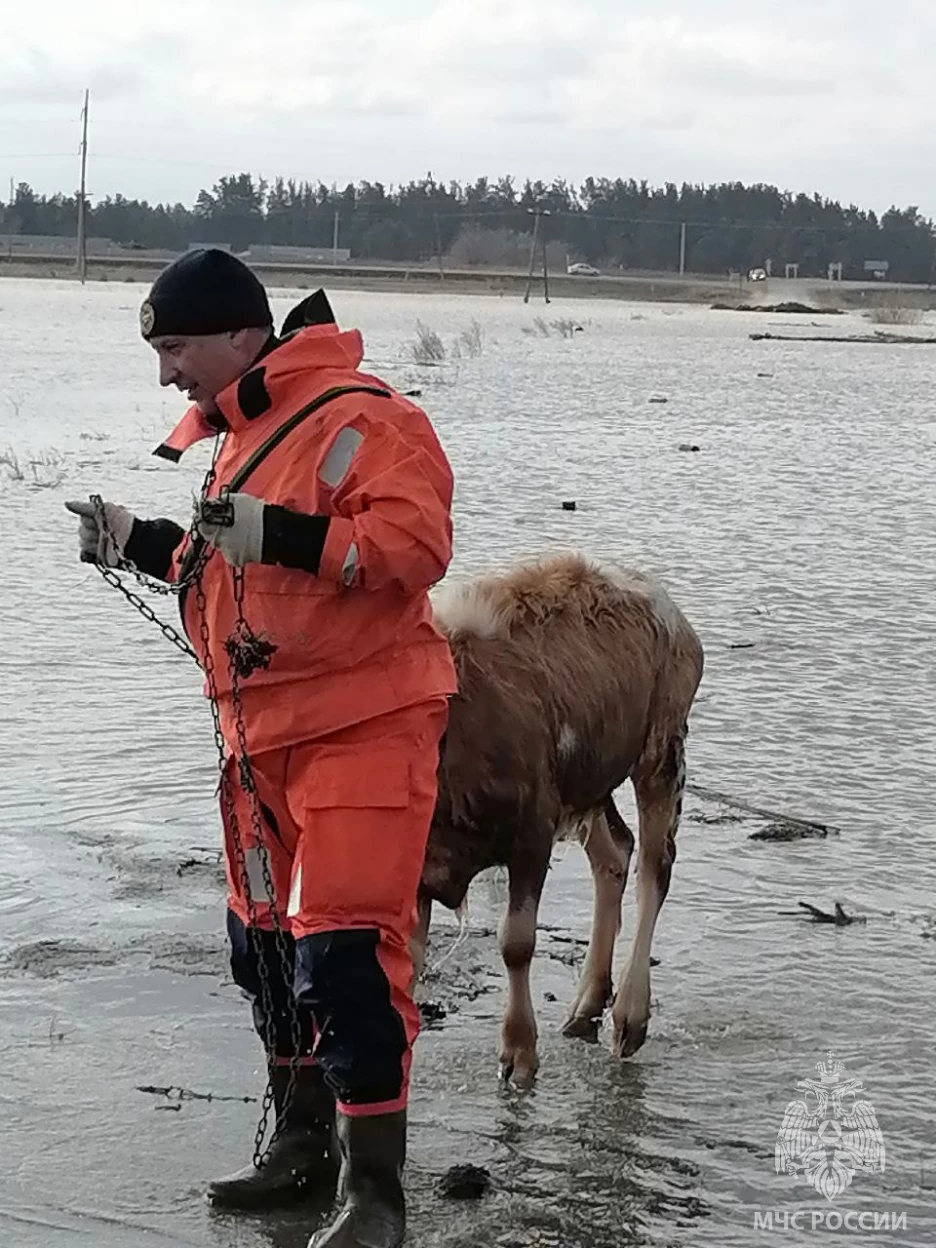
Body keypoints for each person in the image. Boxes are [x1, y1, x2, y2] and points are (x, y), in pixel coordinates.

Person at [65, 248, 457, 1248]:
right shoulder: (242, 434)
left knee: (347, 956)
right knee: (268, 953)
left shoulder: (367, 417)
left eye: (176, 349)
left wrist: (276, 534)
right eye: (159, 354)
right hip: (254, 744)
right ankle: (299, 1149)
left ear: (244, 335)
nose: (167, 375)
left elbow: (415, 548)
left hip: (362, 731)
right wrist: (131, 536)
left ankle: (377, 1203)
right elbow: (219, 563)